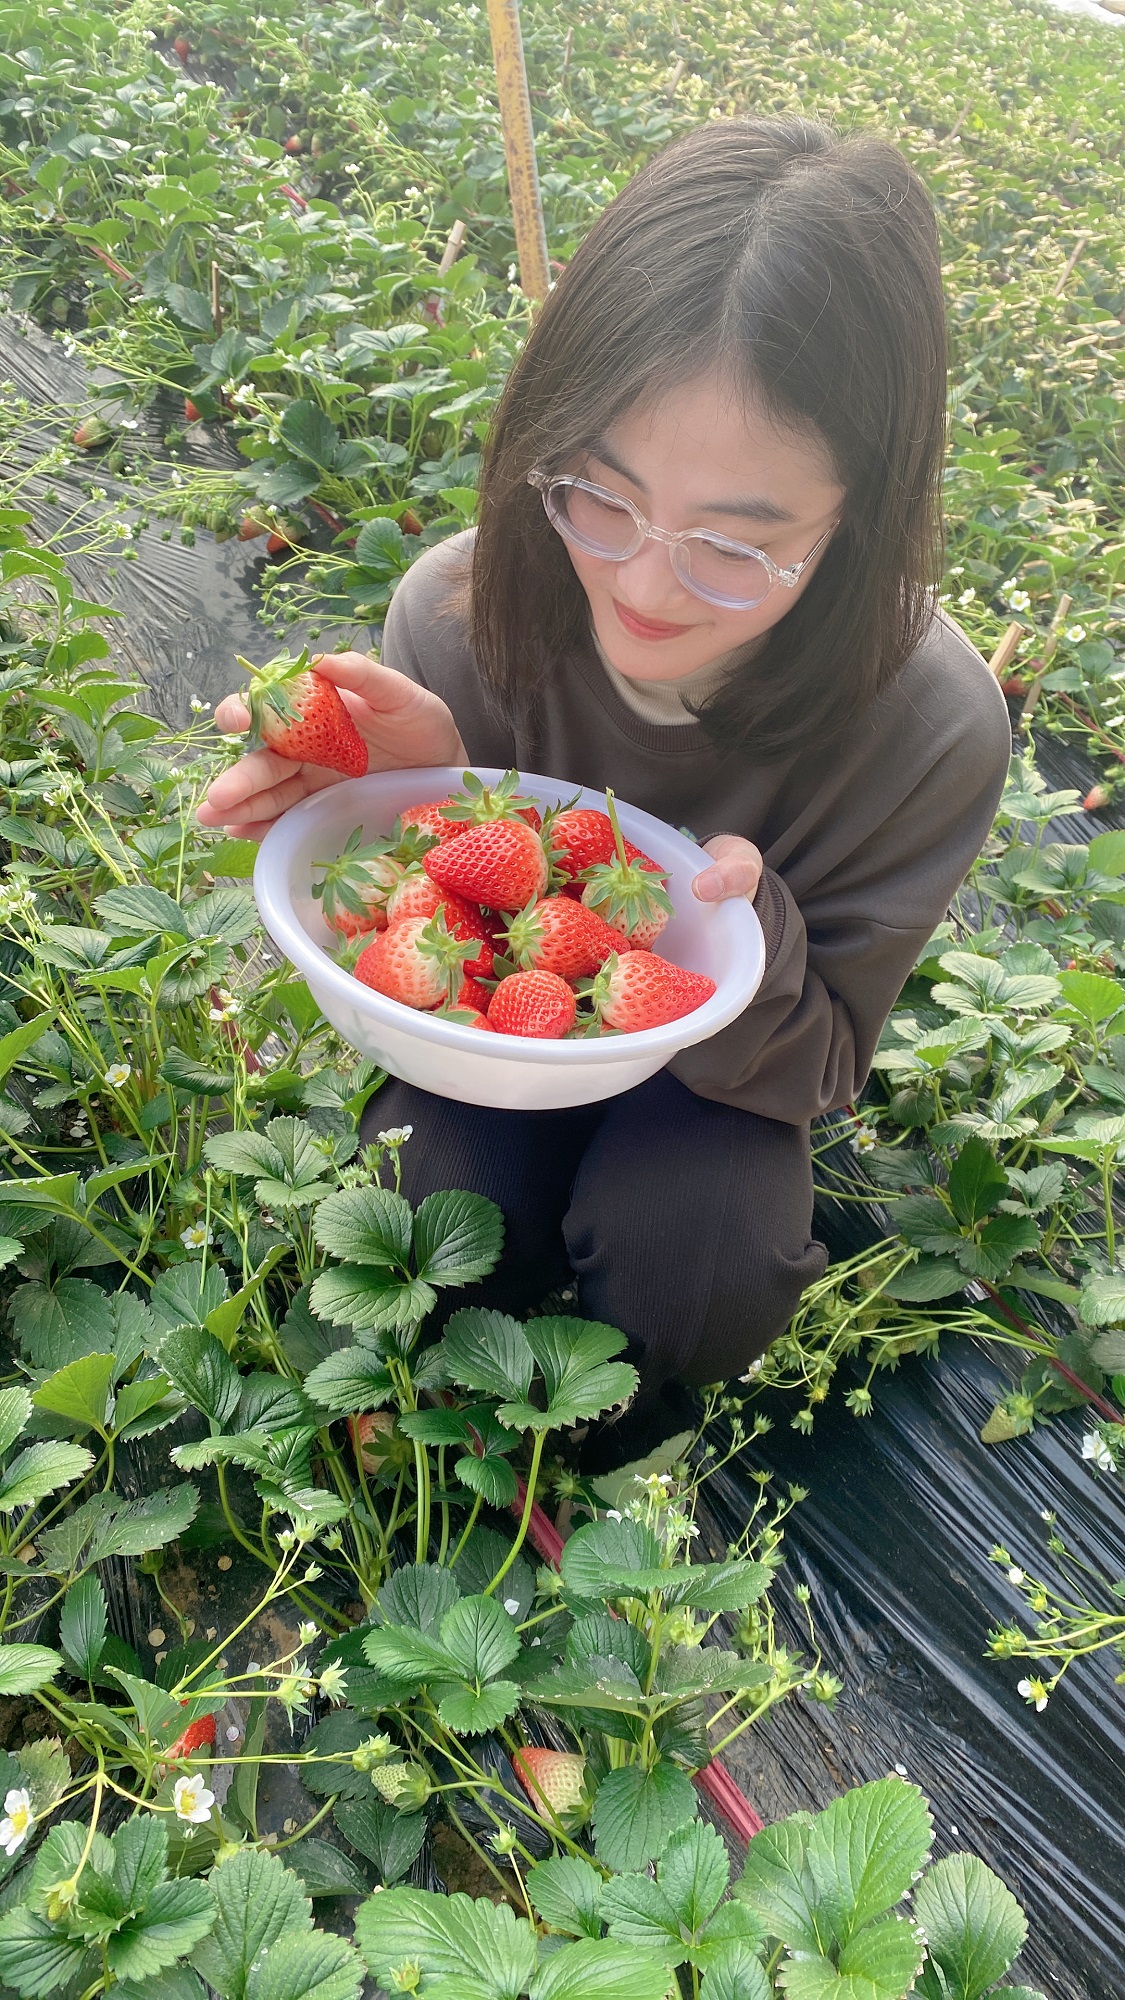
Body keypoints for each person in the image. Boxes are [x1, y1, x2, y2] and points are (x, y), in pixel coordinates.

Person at [199, 116, 1012, 1474]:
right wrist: (428, 796)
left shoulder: (928, 731)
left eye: (735, 545)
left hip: (725, 1080)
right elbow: (433, 981)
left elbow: (821, 1064)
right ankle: (461, 1416)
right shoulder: (460, 613)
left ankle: (600, 1435)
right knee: (435, 1209)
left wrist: (739, 942)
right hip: (493, 1048)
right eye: (599, 493)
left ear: (858, 520)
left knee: (702, 1265)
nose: (641, 584)